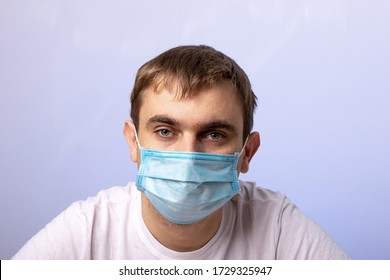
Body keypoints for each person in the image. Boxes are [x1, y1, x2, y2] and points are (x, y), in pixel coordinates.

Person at [12, 45, 349, 259]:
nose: (188, 156)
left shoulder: (277, 227)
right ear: (134, 143)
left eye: (214, 134)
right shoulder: (88, 231)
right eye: (165, 131)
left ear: (247, 153)